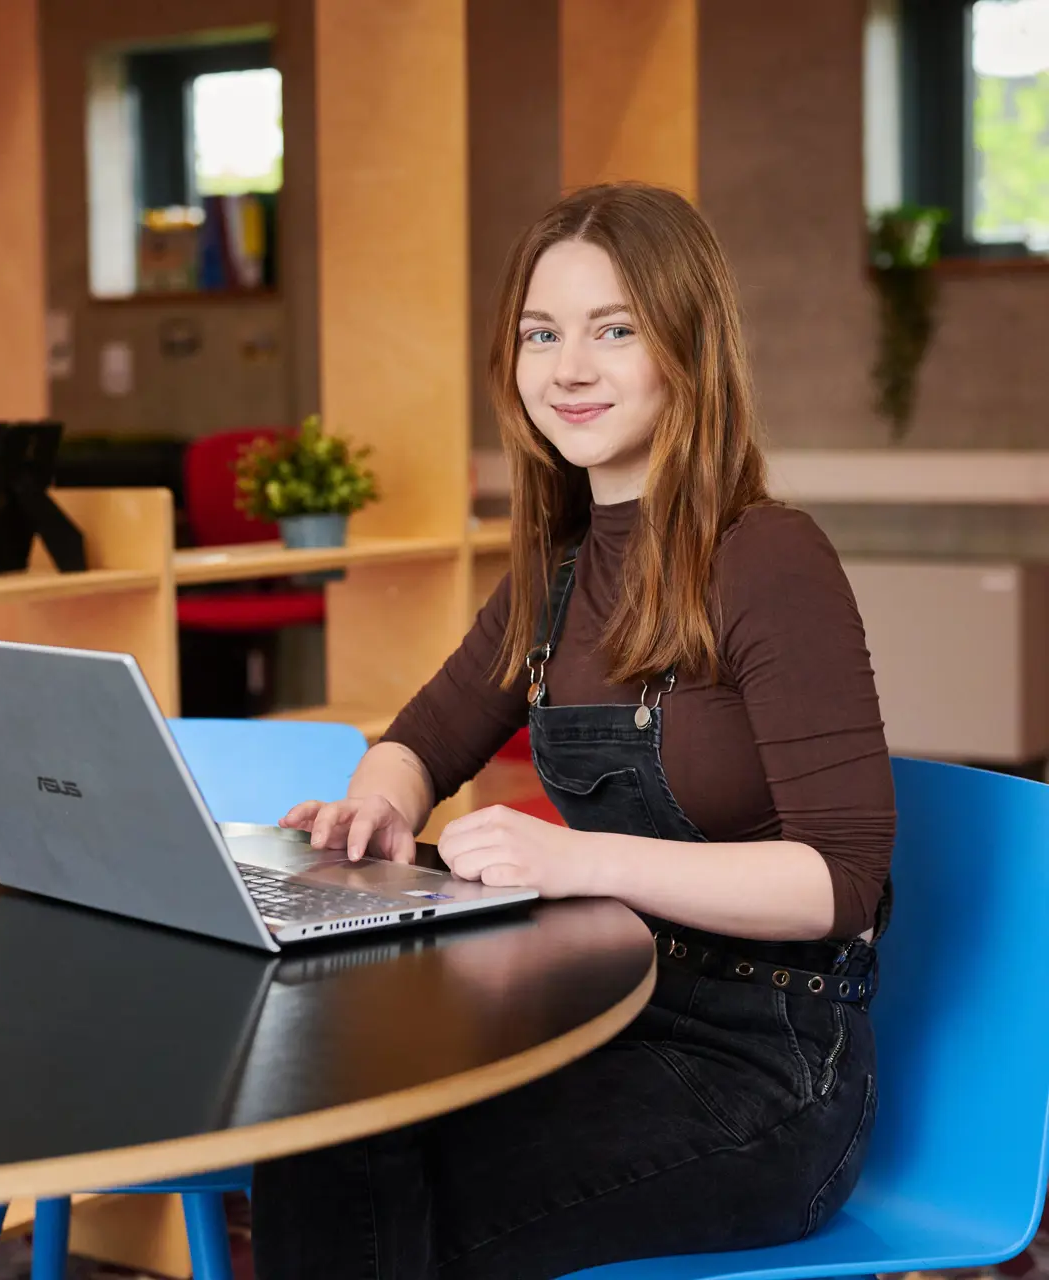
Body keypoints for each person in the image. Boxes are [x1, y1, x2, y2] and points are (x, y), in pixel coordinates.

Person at [252, 182, 896, 1280]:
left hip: (763, 1064)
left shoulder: (766, 556)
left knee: (387, 1195)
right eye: (539, 334)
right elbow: (423, 735)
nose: (569, 369)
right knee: (327, 1127)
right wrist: (381, 797)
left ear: (685, 346)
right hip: (595, 1009)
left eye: (614, 330)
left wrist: (574, 856)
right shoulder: (552, 573)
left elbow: (840, 881)